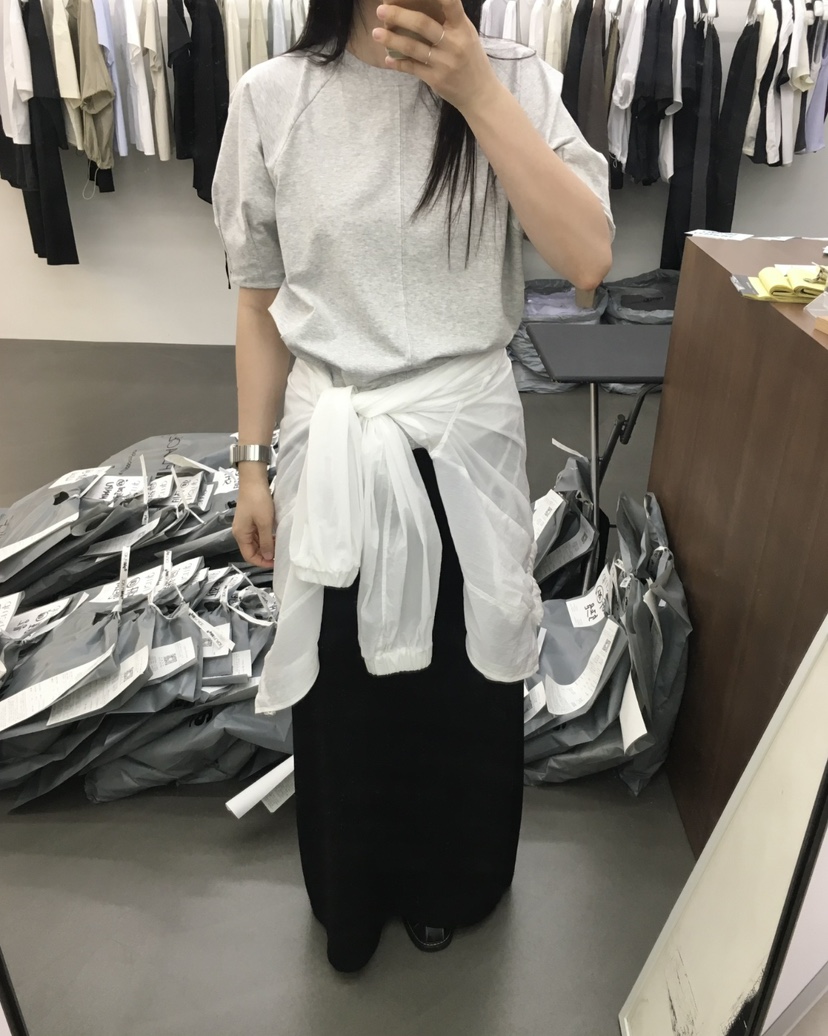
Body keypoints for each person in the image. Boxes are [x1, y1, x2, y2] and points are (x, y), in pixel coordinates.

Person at [211, 0, 614, 974]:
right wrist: (252, 464)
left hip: (461, 443)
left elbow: (589, 259)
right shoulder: (274, 96)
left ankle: (454, 884)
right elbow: (259, 302)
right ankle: (351, 891)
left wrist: (476, 92)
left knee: (464, 683)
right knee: (344, 688)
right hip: (334, 443)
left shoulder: (515, 81)